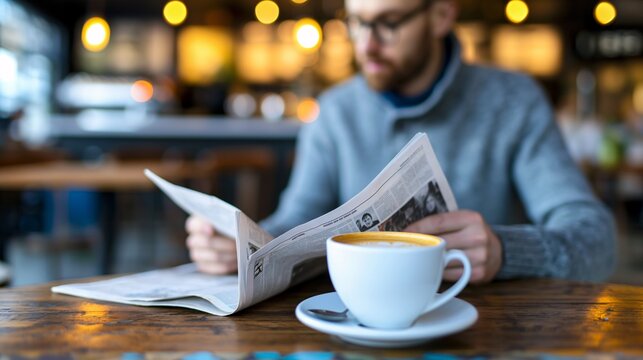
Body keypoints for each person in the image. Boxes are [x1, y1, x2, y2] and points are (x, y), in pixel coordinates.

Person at [186, 0, 616, 283]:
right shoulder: (335, 110)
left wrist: (507, 250)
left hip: (487, 332)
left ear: (442, 14)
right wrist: (246, 249)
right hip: (353, 329)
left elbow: (597, 242)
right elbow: (297, 219)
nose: (366, 45)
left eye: (389, 23)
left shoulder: (512, 102)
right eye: (356, 22)